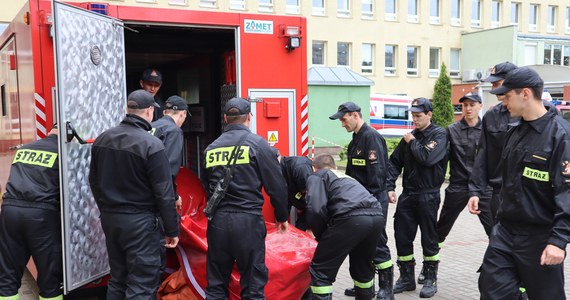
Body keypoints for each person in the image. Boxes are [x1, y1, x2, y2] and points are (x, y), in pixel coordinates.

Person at [476, 66, 570, 299]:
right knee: (492, 291)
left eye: (507, 96)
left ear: (525, 94)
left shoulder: (561, 136)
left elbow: (567, 192)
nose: (503, 102)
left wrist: (558, 240)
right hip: (505, 233)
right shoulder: (514, 132)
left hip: (539, 237)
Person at [89, 89, 180, 299]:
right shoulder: (152, 145)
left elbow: (93, 181)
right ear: (150, 111)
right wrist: (172, 229)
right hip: (141, 223)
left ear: (127, 110)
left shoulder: (103, 139)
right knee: (142, 284)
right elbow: (164, 193)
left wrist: (106, 210)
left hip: (111, 219)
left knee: (118, 279)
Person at [202, 97, 288, 299]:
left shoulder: (211, 148)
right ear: (249, 117)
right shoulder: (259, 145)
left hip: (218, 223)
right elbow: (277, 186)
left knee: (216, 285)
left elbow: (207, 185)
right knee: (253, 285)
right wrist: (282, 216)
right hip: (248, 222)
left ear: (225, 118)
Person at [329, 102, 394, 300]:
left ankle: (386, 288)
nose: (342, 124)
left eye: (344, 119)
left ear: (355, 115)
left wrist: (367, 203)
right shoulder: (356, 139)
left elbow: (378, 174)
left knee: (377, 242)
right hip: (360, 202)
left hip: (373, 201)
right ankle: (364, 285)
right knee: (360, 244)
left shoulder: (371, 137)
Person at [386, 98, 447, 298]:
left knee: (429, 238)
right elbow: (394, 162)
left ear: (429, 114)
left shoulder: (439, 135)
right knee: (402, 236)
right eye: (413, 116)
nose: (415, 119)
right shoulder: (410, 136)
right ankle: (406, 278)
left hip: (428, 195)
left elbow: (427, 158)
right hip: (408, 194)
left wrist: (412, 141)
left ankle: (430, 278)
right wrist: (390, 186)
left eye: (419, 116)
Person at [306, 154, 384, 300]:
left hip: (351, 218)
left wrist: (322, 235)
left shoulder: (317, 175)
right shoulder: (345, 177)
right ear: (334, 166)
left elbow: (315, 208)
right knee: (363, 267)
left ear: (313, 168)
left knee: (321, 270)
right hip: (376, 216)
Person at [0, 125, 62, 300]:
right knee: (49, 275)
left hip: (10, 211)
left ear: (50, 132)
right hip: (40, 215)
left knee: (8, 273)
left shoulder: (24, 149)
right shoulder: (63, 153)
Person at [436, 93, 493, 246]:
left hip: (482, 187)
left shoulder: (488, 131)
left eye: (472, 105)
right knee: (441, 229)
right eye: (464, 105)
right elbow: (442, 160)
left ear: (480, 106)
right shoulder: (451, 130)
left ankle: (495, 266)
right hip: (458, 186)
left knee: (494, 230)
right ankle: (431, 264)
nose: (468, 108)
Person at [468, 62, 518, 233]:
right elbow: (482, 154)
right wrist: (475, 191)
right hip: (499, 193)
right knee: (498, 242)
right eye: (492, 83)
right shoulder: (492, 116)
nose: (493, 87)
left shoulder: (538, 114)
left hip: (528, 194)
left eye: (498, 82)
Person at [152, 95, 190, 211]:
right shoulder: (174, 131)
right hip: (160, 196)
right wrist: (174, 197)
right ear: (183, 113)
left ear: (164, 112)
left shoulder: (150, 126)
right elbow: (169, 169)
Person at [279, 154, 314, 231]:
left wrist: (311, 228)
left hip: (311, 207)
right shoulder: (281, 169)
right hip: (300, 201)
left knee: (302, 231)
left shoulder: (300, 167)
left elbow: (312, 196)